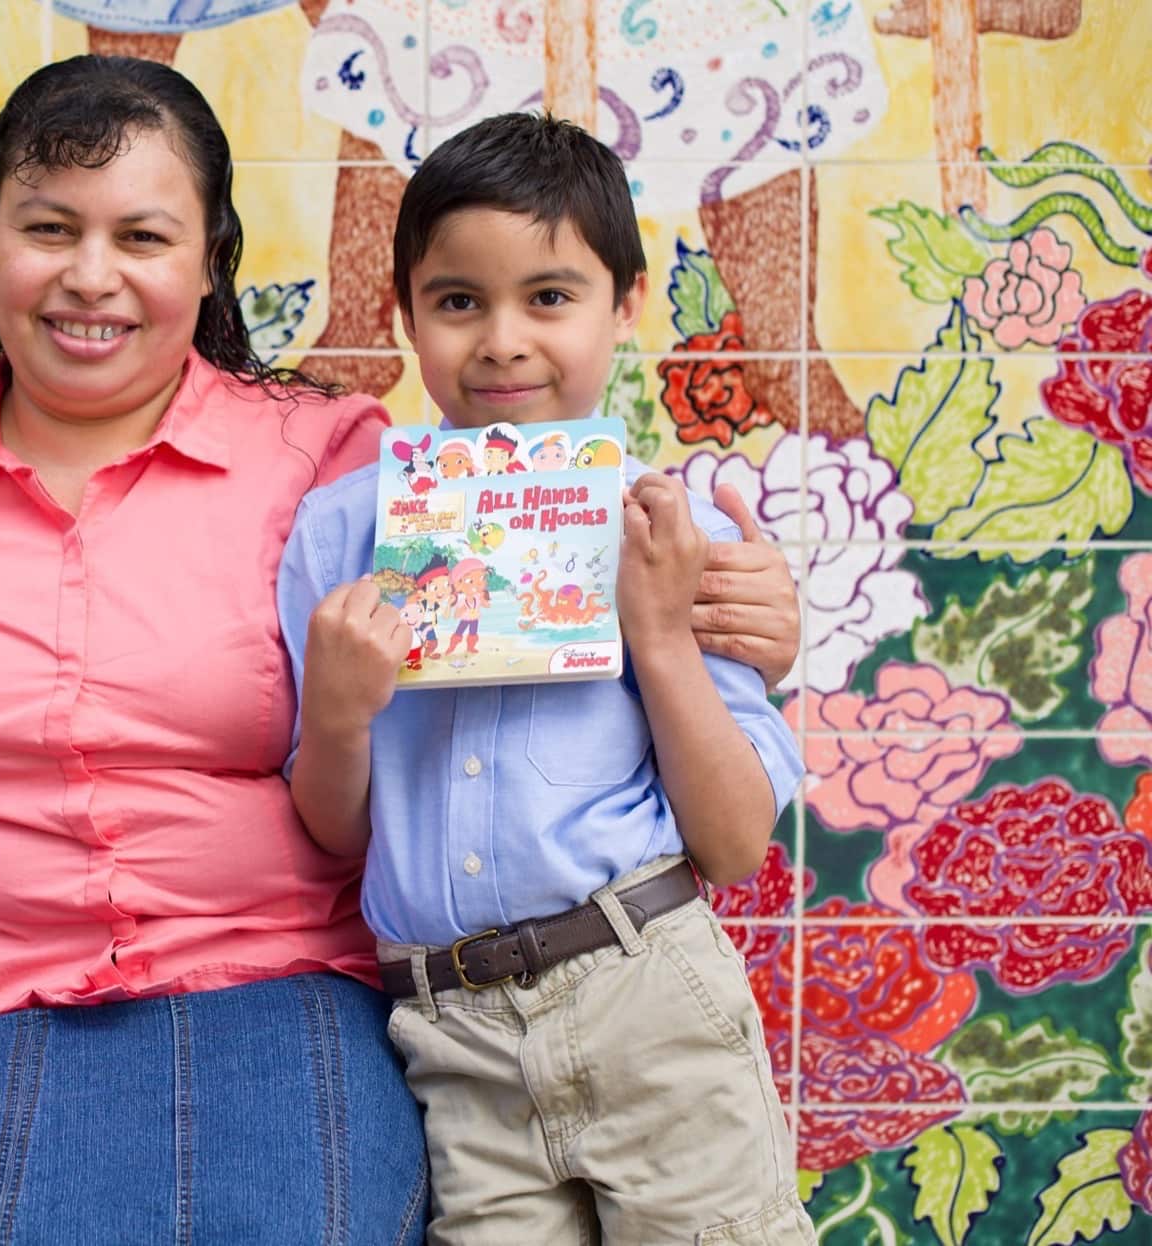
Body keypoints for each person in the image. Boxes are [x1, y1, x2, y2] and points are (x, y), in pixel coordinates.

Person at [0, 59, 804, 1244]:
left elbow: (570, 553)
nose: (89, 278)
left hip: (290, 994)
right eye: (48, 228)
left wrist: (750, 610)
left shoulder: (331, 465)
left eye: (144, 238)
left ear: (210, 259)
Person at [278, 113, 816, 1244]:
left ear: (624, 306)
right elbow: (334, 833)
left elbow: (730, 844)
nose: (502, 340)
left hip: (643, 992)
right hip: (449, 1032)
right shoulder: (339, 536)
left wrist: (660, 634)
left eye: (550, 297)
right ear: (403, 312)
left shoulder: (665, 527)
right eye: (458, 300)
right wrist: (335, 713)